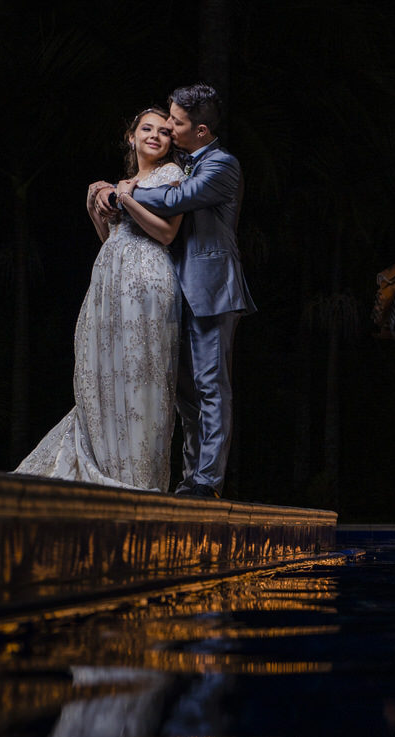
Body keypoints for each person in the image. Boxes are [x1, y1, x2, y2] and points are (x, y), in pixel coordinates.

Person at [15, 108, 184, 491]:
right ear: (131, 136)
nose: (155, 136)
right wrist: (96, 202)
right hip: (109, 278)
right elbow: (111, 239)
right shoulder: (121, 183)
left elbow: (167, 234)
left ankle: (138, 478)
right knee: (102, 372)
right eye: (147, 128)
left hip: (147, 278)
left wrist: (126, 198)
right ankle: (106, 467)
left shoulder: (170, 176)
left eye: (163, 132)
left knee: (142, 372)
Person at [101, 84, 256, 498]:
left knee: (210, 388)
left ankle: (207, 483)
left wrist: (124, 192)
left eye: (176, 122)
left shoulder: (222, 165)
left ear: (200, 130)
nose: (167, 126)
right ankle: (191, 480)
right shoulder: (184, 159)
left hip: (211, 291)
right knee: (186, 396)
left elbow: (177, 199)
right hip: (173, 291)